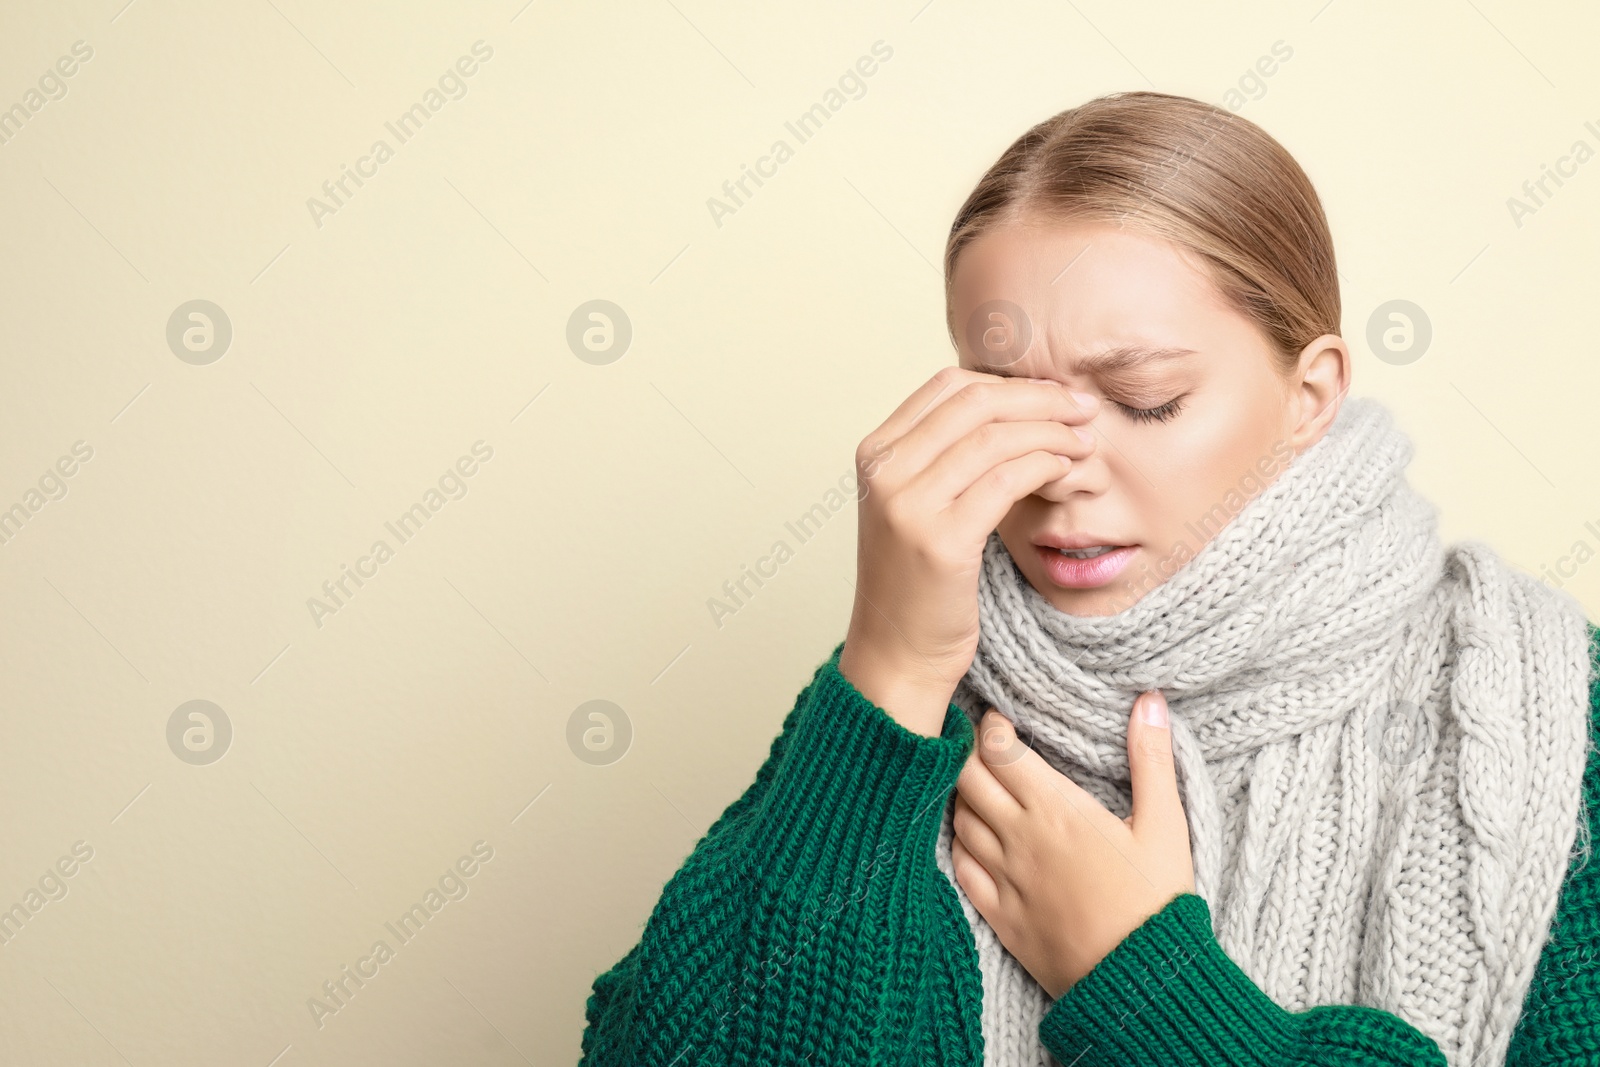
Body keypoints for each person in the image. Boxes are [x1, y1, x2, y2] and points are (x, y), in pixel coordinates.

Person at [576, 90, 1600, 1066]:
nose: (1058, 468)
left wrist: (1142, 981)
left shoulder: (1538, 713)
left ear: (1310, 392)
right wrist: (887, 670)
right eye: (1006, 402)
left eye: (1145, 398)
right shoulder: (901, 704)